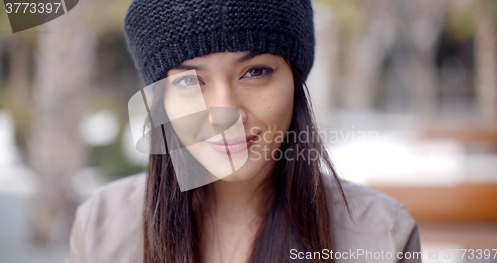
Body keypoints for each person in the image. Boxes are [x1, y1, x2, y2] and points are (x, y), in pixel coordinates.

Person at [65, 0, 421, 262]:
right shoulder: (102, 226)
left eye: (255, 72)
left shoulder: (381, 236)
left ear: (294, 81)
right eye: (190, 80)